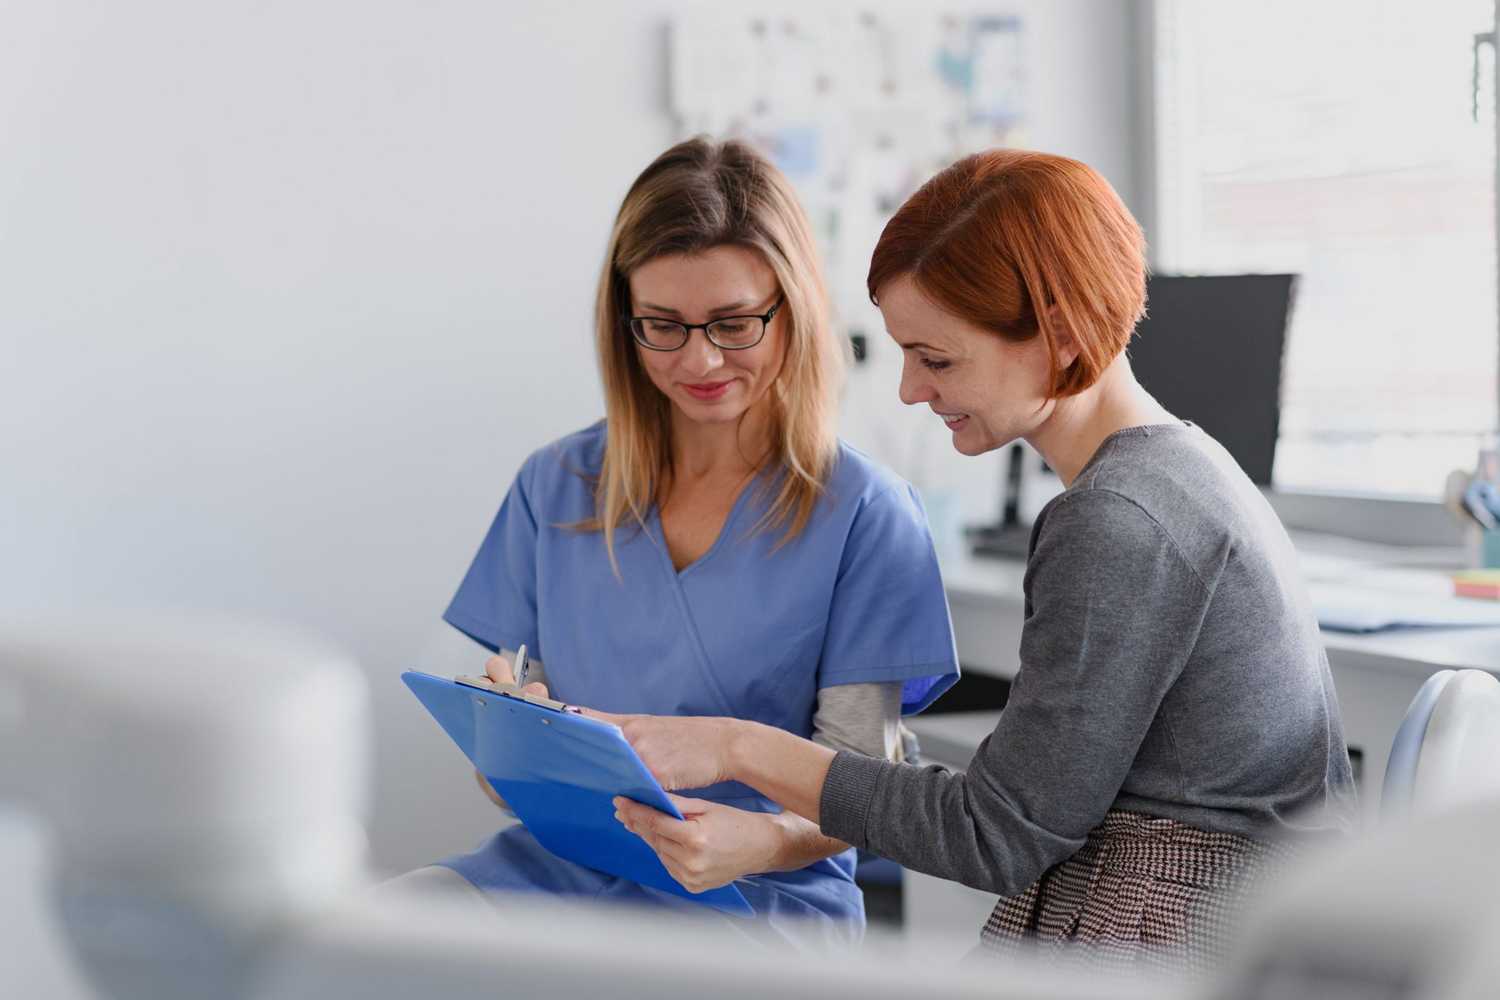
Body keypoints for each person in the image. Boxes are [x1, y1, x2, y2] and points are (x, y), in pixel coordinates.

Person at [607, 149, 1358, 971]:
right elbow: (1027, 796)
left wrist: (735, 747)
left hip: (1166, 941)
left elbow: (995, 836)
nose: (908, 391)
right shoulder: (1186, 466)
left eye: (937, 358)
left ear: (1060, 332)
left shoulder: (1115, 521)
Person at [396, 137, 959, 948]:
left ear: (791, 307)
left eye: (734, 324)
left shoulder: (866, 514)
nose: (699, 359)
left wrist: (758, 840)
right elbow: (508, 772)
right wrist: (509, 736)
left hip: (757, 900)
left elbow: (859, 803)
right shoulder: (555, 487)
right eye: (662, 325)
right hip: (560, 875)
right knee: (362, 946)